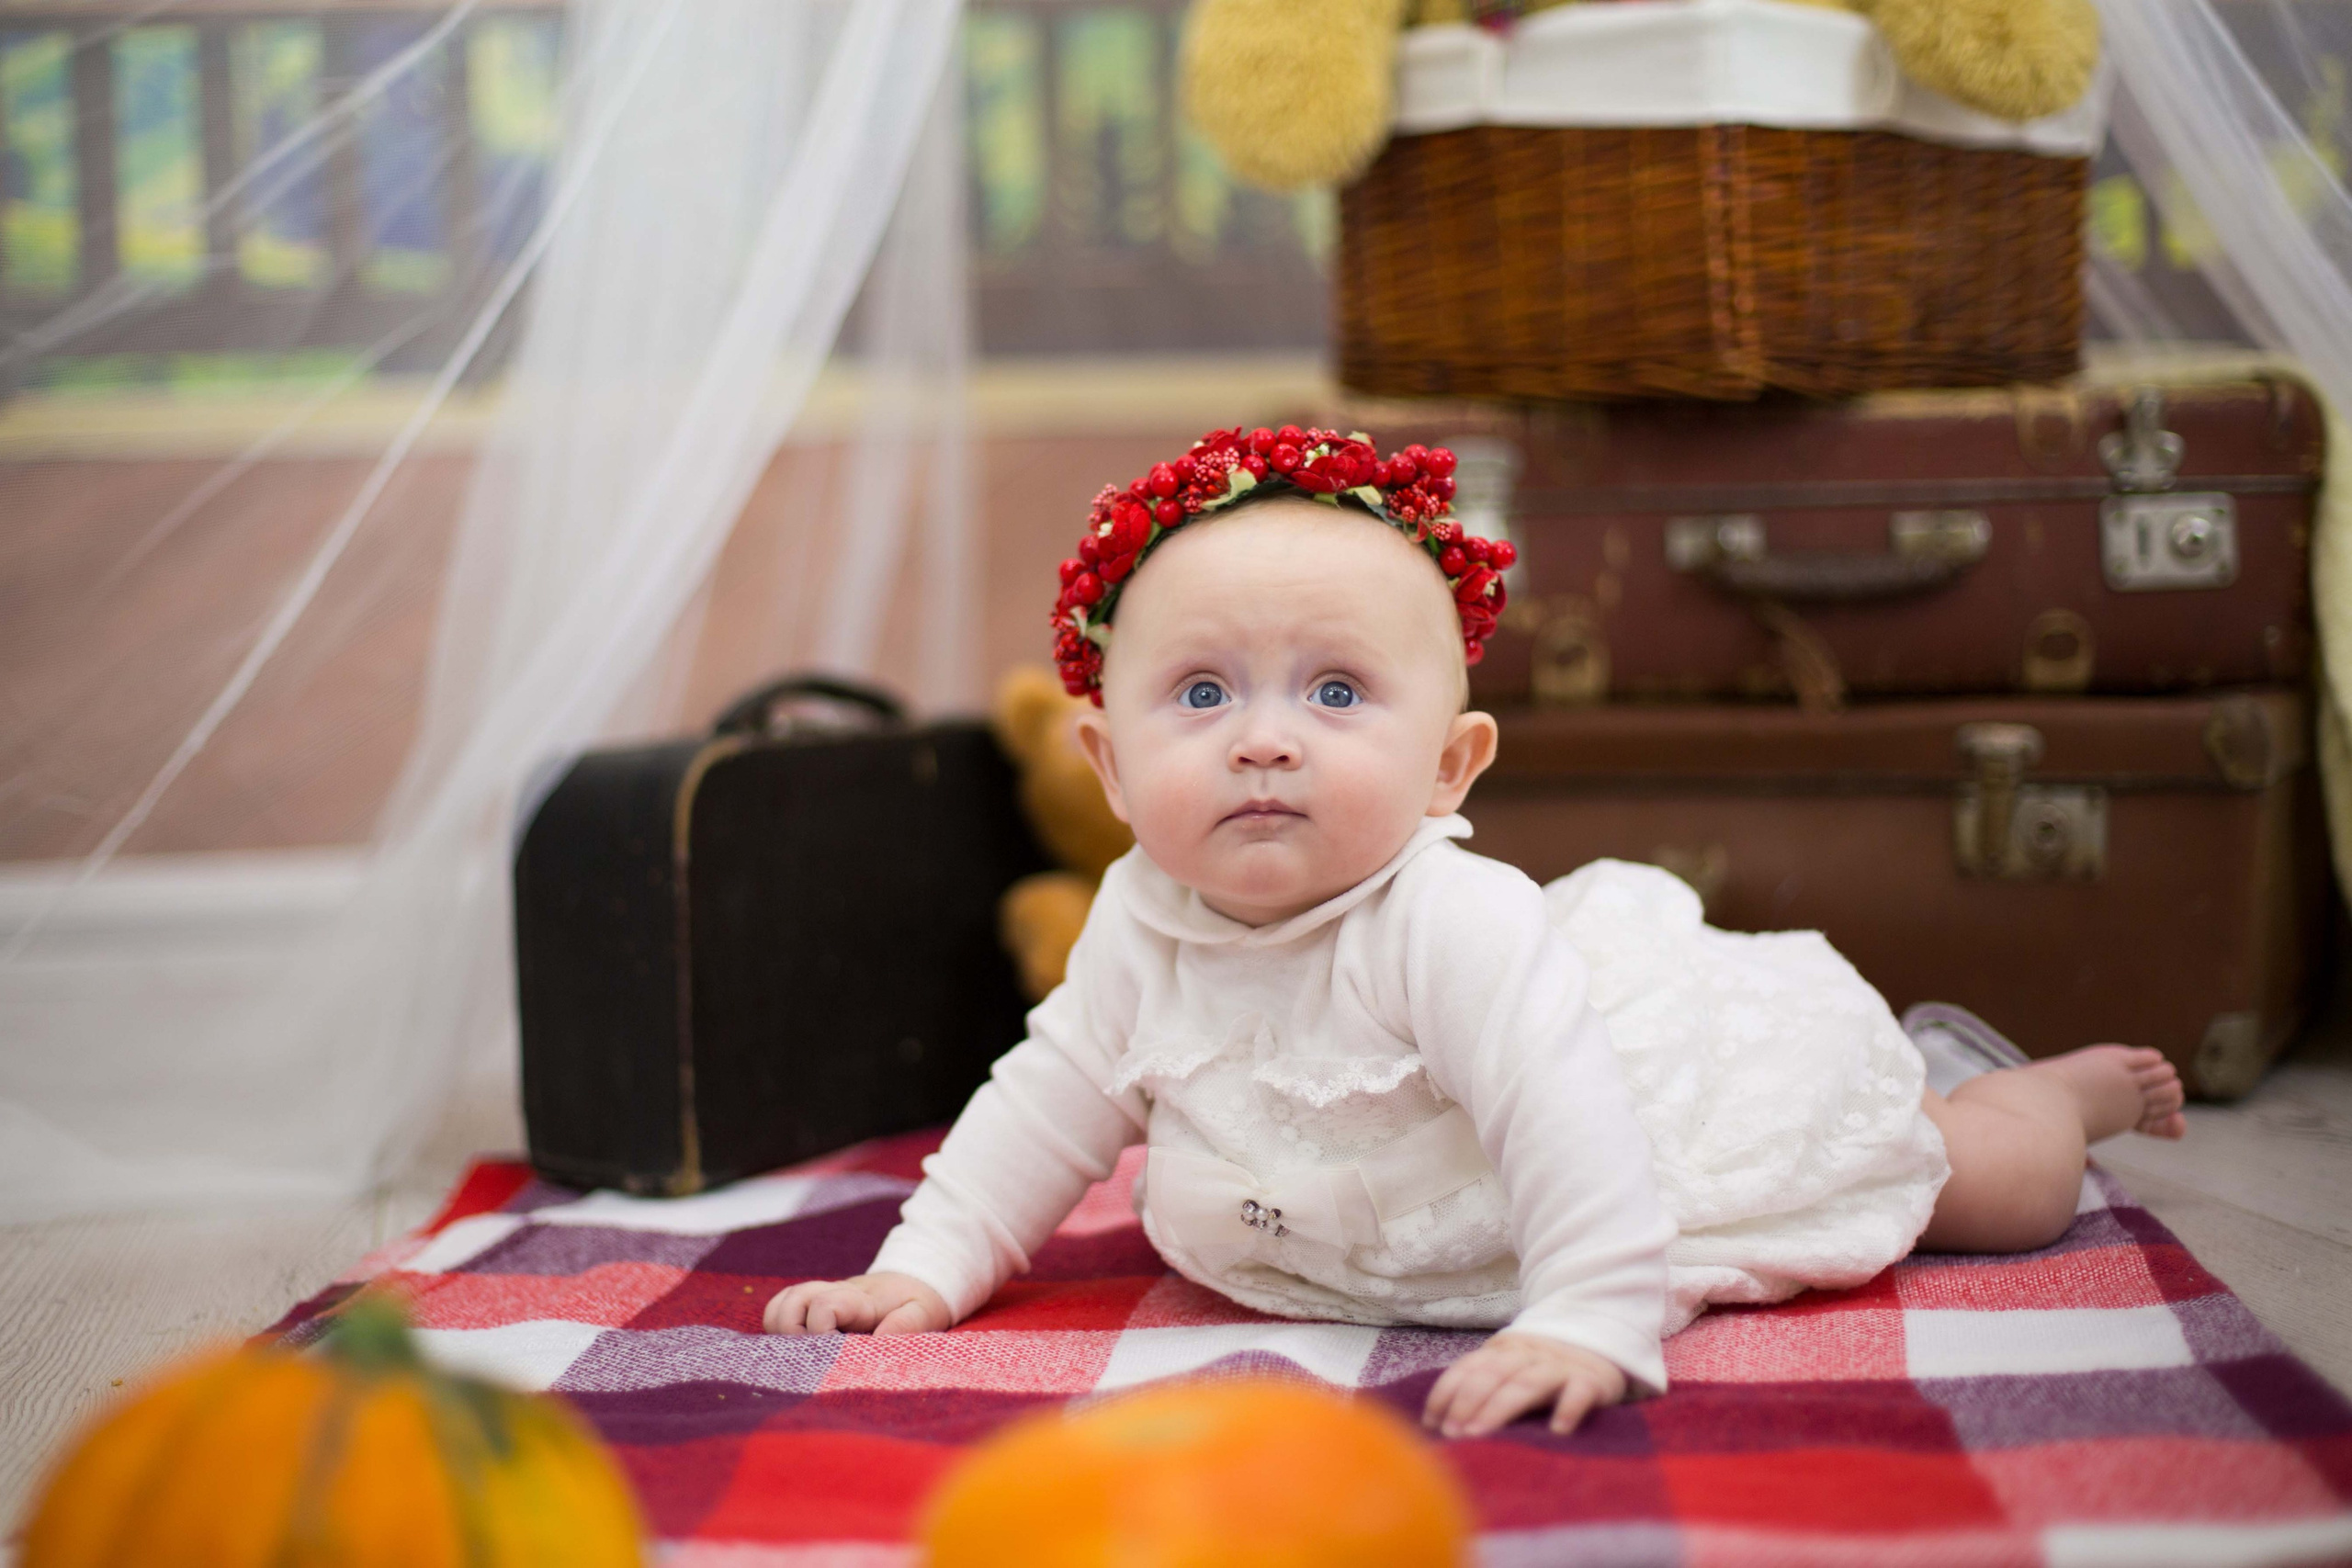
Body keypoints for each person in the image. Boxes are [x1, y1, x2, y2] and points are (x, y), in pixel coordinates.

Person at [764, 426, 2188, 1438]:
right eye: (1201, 696)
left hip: (1624, 1147)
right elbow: (1044, 1103)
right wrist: (926, 1266)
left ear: (1452, 767)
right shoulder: (1139, 922)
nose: (1264, 741)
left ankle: (2043, 1093)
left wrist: (1587, 1315)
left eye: (1335, 695)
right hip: (1318, 1230)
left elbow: (1565, 1120)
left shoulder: (1443, 924)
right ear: (1108, 762)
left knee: (1981, 1189)